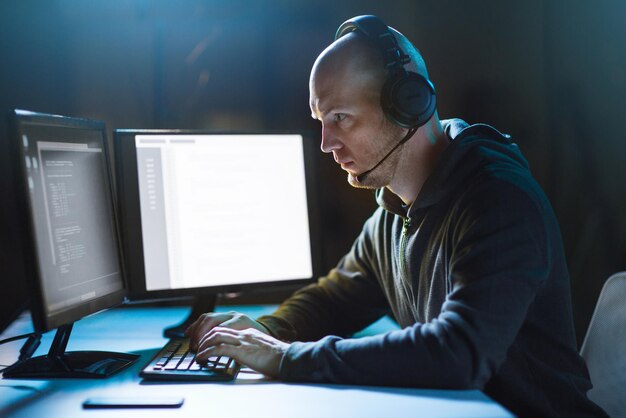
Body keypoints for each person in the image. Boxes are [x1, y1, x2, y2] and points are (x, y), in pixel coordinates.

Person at [186, 15, 607, 417]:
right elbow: (335, 299)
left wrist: (284, 358)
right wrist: (264, 330)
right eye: (320, 121)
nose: (325, 143)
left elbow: (459, 354)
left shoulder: (497, 202)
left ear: (408, 104)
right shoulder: (393, 208)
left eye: (340, 118)